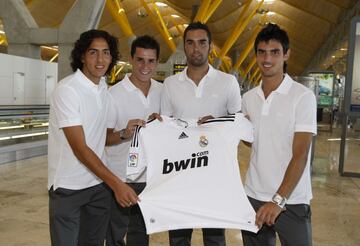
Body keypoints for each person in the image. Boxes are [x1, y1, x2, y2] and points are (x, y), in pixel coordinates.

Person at [47, 29, 139, 246]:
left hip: (97, 187)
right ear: (82, 56)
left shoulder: (103, 89)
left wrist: (124, 134)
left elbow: (101, 138)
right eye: (93, 53)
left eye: (106, 53)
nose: (100, 59)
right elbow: (80, 148)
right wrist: (116, 184)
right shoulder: (68, 90)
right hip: (68, 188)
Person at [161, 21, 242, 246]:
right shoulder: (170, 84)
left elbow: (239, 123)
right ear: (184, 47)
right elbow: (166, 127)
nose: (196, 48)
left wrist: (217, 122)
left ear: (210, 46)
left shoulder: (228, 82)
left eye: (202, 43)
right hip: (179, 172)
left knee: (215, 237)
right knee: (178, 237)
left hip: (215, 174)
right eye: (190, 43)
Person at [241, 23, 317, 246]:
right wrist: (231, 127)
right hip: (254, 195)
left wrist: (278, 200)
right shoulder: (249, 98)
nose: (267, 59)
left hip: (291, 200)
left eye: (275, 52)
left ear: (286, 55)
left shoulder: (302, 97)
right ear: (256, 56)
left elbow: (301, 154)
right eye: (262, 52)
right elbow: (253, 141)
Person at [105, 35, 162, 246]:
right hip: (120, 178)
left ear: (157, 62)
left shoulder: (162, 91)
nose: (145, 66)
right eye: (140, 59)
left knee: (140, 235)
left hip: (149, 178)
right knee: (115, 234)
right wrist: (124, 133)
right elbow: (104, 137)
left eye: (150, 61)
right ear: (131, 60)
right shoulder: (114, 93)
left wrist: (162, 124)